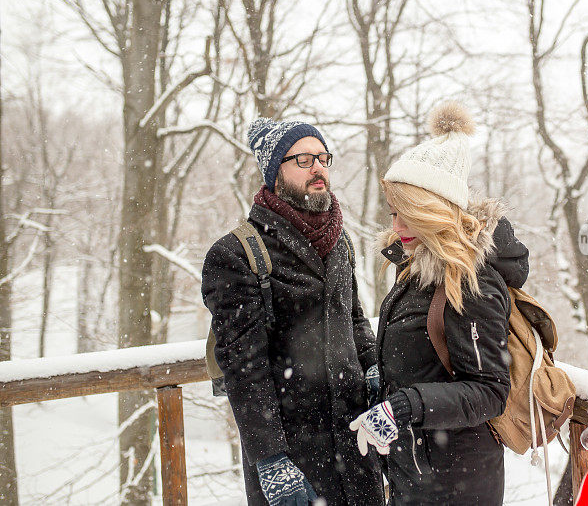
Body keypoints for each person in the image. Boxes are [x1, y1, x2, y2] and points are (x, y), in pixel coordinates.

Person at [348, 102, 530, 505]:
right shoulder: (415, 267)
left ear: (436, 213)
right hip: (415, 467)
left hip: (457, 481)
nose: (395, 227)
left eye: (408, 215)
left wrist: (405, 406)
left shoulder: (470, 279)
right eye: (393, 213)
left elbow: (487, 391)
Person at [202, 117, 383, 506]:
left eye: (322, 157)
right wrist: (271, 461)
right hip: (295, 456)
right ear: (274, 174)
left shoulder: (339, 241)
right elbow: (242, 367)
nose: (318, 168)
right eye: (302, 159)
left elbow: (353, 320)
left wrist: (371, 366)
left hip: (356, 444)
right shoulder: (236, 254)